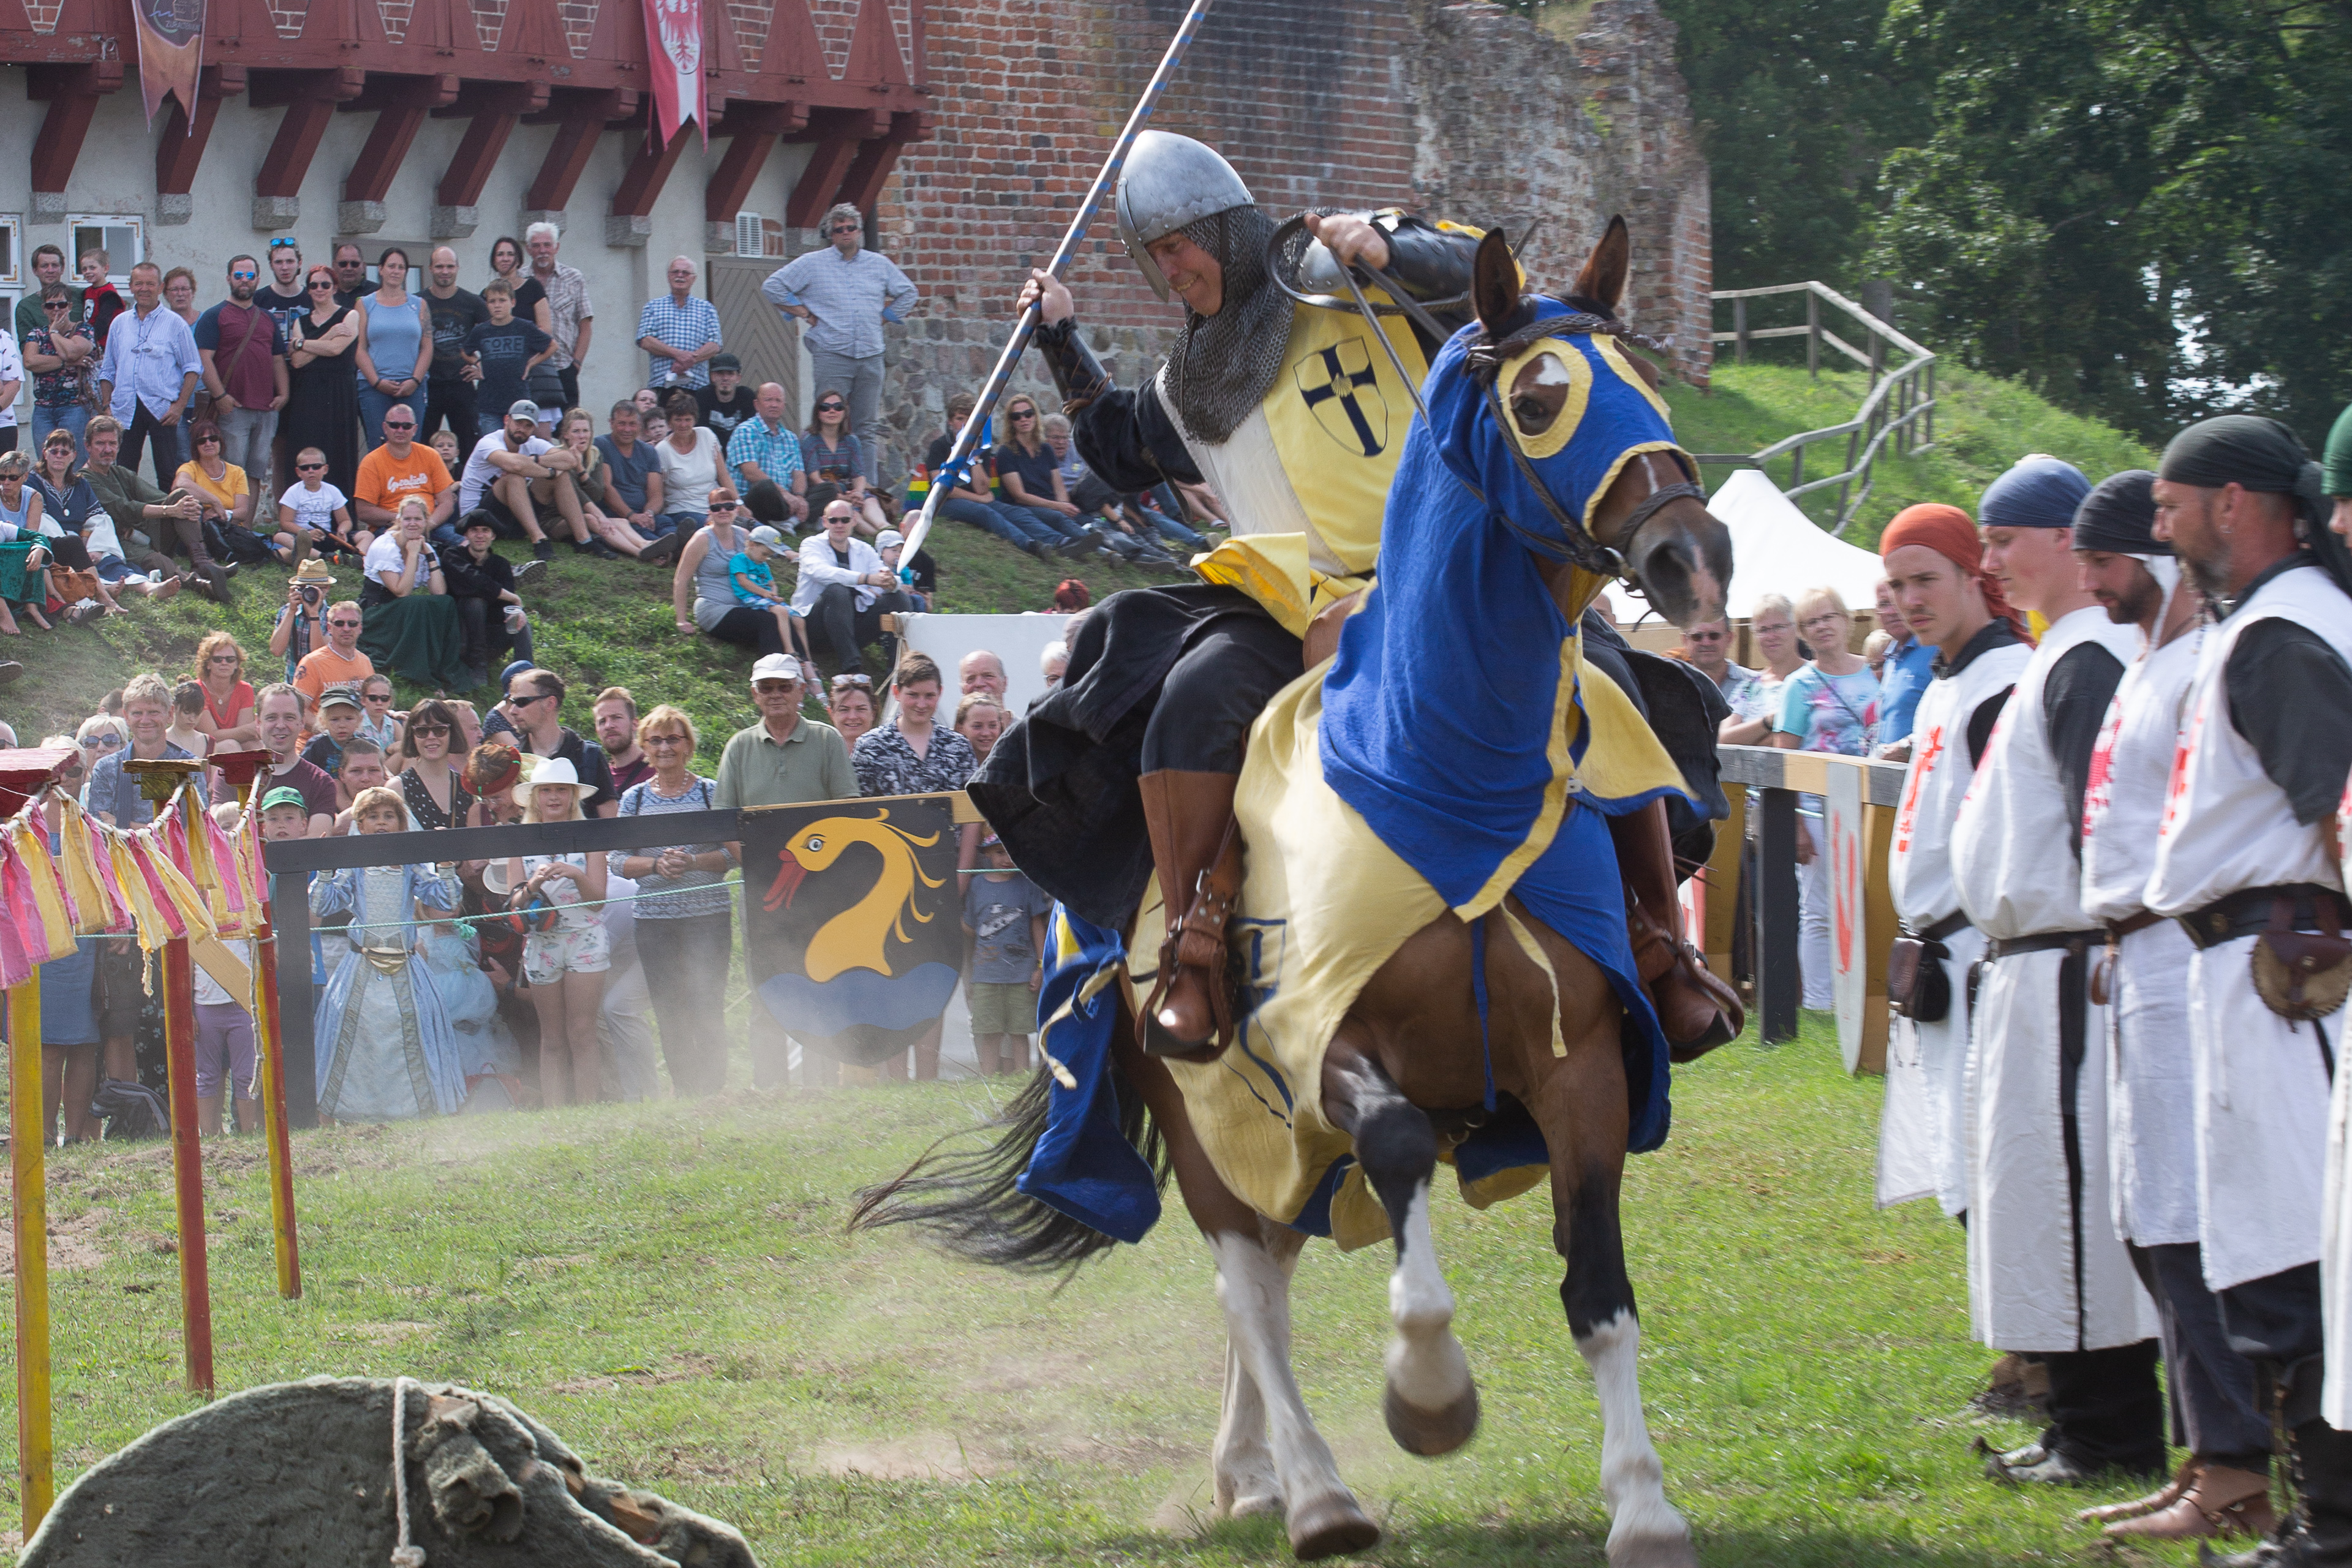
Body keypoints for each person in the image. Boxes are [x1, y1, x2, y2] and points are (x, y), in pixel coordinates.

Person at [2136, 419, 2352, 1567]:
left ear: (2233, 504)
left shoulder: (2287, 634)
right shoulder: (2269, 624)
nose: (2160, 529)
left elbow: (2341, 803)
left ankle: (2334, 1523)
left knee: (2301, 1257)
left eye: (2171, 508)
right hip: (2251, 970)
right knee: (2273, 1255)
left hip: (2290, 978)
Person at [2068, 470, 2272, 1543]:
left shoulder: (2203, 663)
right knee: (2151, 1221)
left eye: (2106, 562)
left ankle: (2238, 1465)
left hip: (2181, 956)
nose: (2092, 583)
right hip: (2134, 960)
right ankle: (2209, 1454)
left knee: (2188, 1220)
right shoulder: (2148, 664)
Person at [1946, 457, 2158, 1488]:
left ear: (2069, 541)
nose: (1989, 563)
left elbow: (2098, 825)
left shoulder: (2087, 659)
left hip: (2071, 966)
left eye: (2004, 541)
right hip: (2034, 970)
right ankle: (2078, 1421)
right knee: (2039, 1197)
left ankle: (2110, 1435)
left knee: (2074, 1201)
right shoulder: (2060, 653)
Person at [1875, 502, 2035, 1226]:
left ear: (1974, 574)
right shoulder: (1946, 682)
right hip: (1940, 956)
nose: (1910, 600)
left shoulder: (2006, 682)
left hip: (1983, 958)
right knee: (1964, 1171)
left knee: (1999, 1176)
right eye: (1897, 584)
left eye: (1926, 579)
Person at [712, 653, 854, 1087]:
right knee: (766, 986)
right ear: (755, 694)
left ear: (800, 691)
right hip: (760, 890)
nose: (775, 695)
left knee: (821, 982)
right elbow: (724, 821)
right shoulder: (739, 747)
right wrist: (758, 870)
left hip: (821, 889)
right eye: (767, 687)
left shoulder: (827, 740)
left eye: (784, 686)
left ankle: (821, 1083)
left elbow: (848, 812)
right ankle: (770, 1086)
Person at [312, 786, 469, 1121]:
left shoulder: (411, 865)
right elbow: (323, 905)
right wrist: (324, 871)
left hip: (406, 965)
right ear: (361, 825)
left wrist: (445, 866)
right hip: (360, 966)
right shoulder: (353, 865)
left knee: (412, 1025)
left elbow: (446, 901)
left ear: (401, 823)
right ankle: (355, 1113)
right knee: (355, 1031)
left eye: (388, 816)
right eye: (373, 817)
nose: (381, 823)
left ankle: (414, 1112)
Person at [612, 704, 734, 1097]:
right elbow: (616, 860)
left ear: (688, 745)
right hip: (654, 920)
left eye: (673, 739)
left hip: (708, 917)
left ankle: (714, 1090)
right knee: (669, 1008)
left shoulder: (711, 792)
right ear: (645, 747)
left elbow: (735, 854)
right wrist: (655, 865)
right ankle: (686, 1092)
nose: (665, 748)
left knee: (707, 1002)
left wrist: (694, 861)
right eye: (656, 740)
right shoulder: (633, 800)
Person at [1769, 586, 1879, 1010]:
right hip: (1817, 811)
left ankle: (1867, 1000)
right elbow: (1786, 757)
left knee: (1869, 906)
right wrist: (1795, 824)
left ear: (1846, 621)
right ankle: (1820, 1003)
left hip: (1871, 808)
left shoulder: (1875, 673)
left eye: (1828, 617)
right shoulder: (1798, 686)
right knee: (1819, 910)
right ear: (1802, 632)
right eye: (1811, 622)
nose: (1821, 627)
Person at [763, 202, 916, 485]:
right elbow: (773, 286)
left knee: (866, 428)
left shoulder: (878, 264)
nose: (845, 233)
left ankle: (867, 491)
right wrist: (805, 313)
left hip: (871, 353)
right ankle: (826, 490)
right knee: (827, 423)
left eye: (851, 228)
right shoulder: (812, 263)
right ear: (831, 235)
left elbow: (908, 293)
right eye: (839, 229)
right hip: (832, 353)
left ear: (859, 231)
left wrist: (883, 318)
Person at [503, 757, 609, 1107]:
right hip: (541, 943)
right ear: (535, 796)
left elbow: (598, 902)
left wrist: (575, 874)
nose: (553, 797)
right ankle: (555, 1113)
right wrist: (533, 884)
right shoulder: (520, 840)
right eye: (546, 790)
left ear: (573, 795)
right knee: (551, 1037)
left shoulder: (591, 836)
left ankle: (589, 1109)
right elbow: (514, 904)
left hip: (585, 938)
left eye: (561, 790)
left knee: (582, 1032)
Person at [34, 739, 100, 1144]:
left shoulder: (94, 826)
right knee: (47, 1047)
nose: (64, 780)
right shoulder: (22, 825)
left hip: (88, 947)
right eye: (55, 772)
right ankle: (42, 1135)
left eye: (74, 771)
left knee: (84, 1044)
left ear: (85, 775)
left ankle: (76, 1139)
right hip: (41, 948)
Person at [919, 391, 1071, 559]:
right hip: (944, 503)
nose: (966, 424)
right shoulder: (940, 446)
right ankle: (1029, 544)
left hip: (976, 498)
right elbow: (943, 489)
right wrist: (981, 499)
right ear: (950, 422)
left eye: (970, 419)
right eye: (960, 419)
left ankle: (1059, 541)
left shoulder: (981, 447)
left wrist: (973, 455)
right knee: (985, 512)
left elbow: (982, 488)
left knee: (1017, 513)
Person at [94, 261, 202, 486]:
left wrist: (179, 406)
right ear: (131, 287)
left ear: (160, 287)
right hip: (125, 407)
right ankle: (129, 511)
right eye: (139, 284)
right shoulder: (119, 323)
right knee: (124, 472)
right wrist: (106, 406)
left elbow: (193, 368)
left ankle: (170, 511)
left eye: (150, 284)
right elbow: (108, 369)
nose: (144, 289)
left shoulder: (175, 324)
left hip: (162, 408)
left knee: (168, 473)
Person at [192, 255, 289, 499]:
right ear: (228, 278)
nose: (244, 280)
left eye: (250, 275)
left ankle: (246, 523)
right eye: (238, 275)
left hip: (266, 409)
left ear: (258, 279)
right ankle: (230, 522)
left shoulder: (267, 318)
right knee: (231, 471)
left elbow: (278, 359)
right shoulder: (215, 316)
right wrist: (221, 397)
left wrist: (284, 393)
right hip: (233, 408)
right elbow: (204, 360)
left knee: (255, 473)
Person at [78, 416, 202, 598]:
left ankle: (202, 561)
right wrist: (171, 510)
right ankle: (196, 582)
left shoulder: (120, 473)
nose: (108, 450)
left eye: (112, 443)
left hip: (145, 534)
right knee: (159, 560)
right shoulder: (85, 479)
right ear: (88, 446)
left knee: (180, 495)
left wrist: (185, 505)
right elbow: (123, 508)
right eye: (100, 444)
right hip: (117, 543)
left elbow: (160, 498)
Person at [993, 392, 1127, 558]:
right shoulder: (1006, 452)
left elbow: (1059, 486)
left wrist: (1065, 505)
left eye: (1028, 414)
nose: (1024, 419)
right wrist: (1058, 507)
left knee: (1091, 521)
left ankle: (1127, 552)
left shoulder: (1045, 448)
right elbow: (1019, 496)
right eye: (1017, 416)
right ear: (1011, 422)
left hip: (1052, 505)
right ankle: (1105, 553)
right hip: (1025, 507)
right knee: (1059, 518)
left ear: (1035, 416)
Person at [673, 490, 802, 658]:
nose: (723, 511)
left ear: (736, 509)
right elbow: (681, 580)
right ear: (709, 511)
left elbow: (761, 568)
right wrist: (681, 620)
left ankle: (805, 667)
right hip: (716, 609)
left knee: (788, 617)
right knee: (769, 621)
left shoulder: (744, 536)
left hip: (748, 604)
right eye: (717, 507)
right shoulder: (702, 540)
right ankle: (774, 670)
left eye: (729, 506)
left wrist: (771, 592)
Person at [962, 832, 1049, 1077]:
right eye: (1000, 852)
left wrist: (1040, 966)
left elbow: (1037, 926)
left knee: (1019, 1033)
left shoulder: (1027, 885)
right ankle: (988, 1080)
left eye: (1011, 852)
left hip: (1021, 974)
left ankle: (1021, 1079)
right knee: (989, 1032)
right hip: (986, 974)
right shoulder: (977, 885)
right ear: (988, 854)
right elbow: (970, 925)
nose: (1007, 859)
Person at [458, 401, 590, 560]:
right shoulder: (488, 442)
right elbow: (515, 465)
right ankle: (539, 540)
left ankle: (584, 540)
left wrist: (536, 460)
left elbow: (570, 460)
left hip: (513, 521)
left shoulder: (533, 443)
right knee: (514, 477)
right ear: (507, 420)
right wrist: (549, 472)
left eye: (528, 425)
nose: (522, 429)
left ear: (534, 428)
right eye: (518, 423)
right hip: (477, 520)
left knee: (561, 476)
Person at [358, 495, 465, 689]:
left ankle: (443, 667)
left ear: (425, 522)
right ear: (399, 521)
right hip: (376, 612)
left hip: (401, 610)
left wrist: (430, 556)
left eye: (418, 519)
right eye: (407, 519)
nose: (413, 524)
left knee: (446, 603)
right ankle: (417, 672)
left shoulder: (424, 546)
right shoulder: (385, 547)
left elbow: (439, 592)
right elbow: (401, 592)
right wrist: (413, 554)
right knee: (418, 605)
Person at [794, 499, 905, 676]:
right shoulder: (811, 544)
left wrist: (891, 582)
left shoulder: (863, 548)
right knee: (836, 590)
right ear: (825, 522)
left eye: (845, 520)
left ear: (854, 520)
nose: (839, 525)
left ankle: (897, 670)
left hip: (853, 625)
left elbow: (883, 574)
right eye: (834, 520)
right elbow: (821, 572)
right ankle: (853, 669)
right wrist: (866, 579)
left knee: (899, 598)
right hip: (815, 627)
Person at [280, 265, 361, 496]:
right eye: (314, 285)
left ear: (335, 288)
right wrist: (329, 335)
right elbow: (298, 362)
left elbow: (336, 349)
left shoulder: (350, 316)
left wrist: (301, 343)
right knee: (305, 451)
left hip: (339, 393)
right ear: (308, 290)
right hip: (307, 394)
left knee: (337, 454)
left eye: (325, 284)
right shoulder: (301, 322)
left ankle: (340, 513)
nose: (320, 289)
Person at [854, 651, 976, 797]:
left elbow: (973, 804)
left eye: (929, 696)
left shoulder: (959, 747)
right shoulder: (870, 746)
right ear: (896, 692)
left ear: (940, 692)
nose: (921, 704)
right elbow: (858, 806)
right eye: (913, 695)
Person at [504, 666, 618, 817]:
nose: (512, 710)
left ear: (550, 703)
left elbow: (611, 823)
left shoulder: (589, 756)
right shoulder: (512, 761)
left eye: (522, 702)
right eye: (512, 702)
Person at [443, 509, 535, 690]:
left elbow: (507, 606)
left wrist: (517, 610)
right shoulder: (453, 555)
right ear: (466, 535)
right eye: (474, 530)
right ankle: (478, 667)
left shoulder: (501, 564)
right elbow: (475, 581)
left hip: (491, 636)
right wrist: (514, 598)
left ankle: (526, 676)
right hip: (460, 635)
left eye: (485, 530)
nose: (480, 535)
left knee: (520, 622)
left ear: (493, 536)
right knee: (475, 602)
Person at [351, 247, 432, 455]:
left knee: (411, 448)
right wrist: (377, 382)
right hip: (374, 388)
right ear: (380, 269)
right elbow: (360, 349)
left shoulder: (419, 305)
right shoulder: (365, 304)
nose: (396, 271)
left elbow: (427, 347)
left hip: (412, 387)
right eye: (391, 266)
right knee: (379, 448)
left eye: (401, 267)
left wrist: (415, 381)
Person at [554, 409, 658, 561]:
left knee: (621, 521)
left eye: (586, 431)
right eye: (576, 431)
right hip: (556, 519)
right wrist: (601, 517)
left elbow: (597, 494)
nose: (582, 436)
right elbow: (577, 496)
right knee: (591, 518)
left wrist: (581, 471)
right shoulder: (558, 455)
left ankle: (647, 545)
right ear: (566, 435)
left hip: (586, 512)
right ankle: (639, 553)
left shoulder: (594, 454)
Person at [176, 420, 274, 569]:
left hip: (228, 531)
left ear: (220, 442)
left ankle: (299, 555)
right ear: (196, 447)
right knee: (191, 505)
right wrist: (214, 501)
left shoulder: (237, 472)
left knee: (276, 540)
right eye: (202, 441)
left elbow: (242, 512)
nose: (208, 444)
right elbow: (180, 485)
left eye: (213, 439)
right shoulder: (190, 468)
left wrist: (221, 514)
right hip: (199, 531)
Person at [418, 246, 488, 451]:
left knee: (470, 446)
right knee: (422, 446)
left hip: (461, 383)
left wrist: (483, 368)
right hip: (427, 384)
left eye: (450, 266)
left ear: (458, 268)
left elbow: (492, 337)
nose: (445, 271)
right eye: (440, 266)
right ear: (430, 268)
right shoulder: (418, 302)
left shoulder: (473, 303)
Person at [353, 403, 456, 538]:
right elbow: (364, 511)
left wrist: (426, 525)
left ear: (415, 429)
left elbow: (447, 503)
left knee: (463, 545)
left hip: (431, 525)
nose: (400, 430)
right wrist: (406, 520)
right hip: (390, 527)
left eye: (407, 426)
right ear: (385, 428)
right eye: (394, 425)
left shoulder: (431, 455)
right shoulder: (371, 462)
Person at [522, 221, 592, 413]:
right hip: (530, 368)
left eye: (547, 245)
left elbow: (585, 325)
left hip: (564, 366)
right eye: (536, 246)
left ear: (557, 247)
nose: (542, 251)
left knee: (569, 424)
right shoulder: (520, 279)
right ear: (528, 249)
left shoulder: (574, 278)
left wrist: (576, 364)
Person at [252, 683, 339, 834]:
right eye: (271, 718)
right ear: (258, 722)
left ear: (302, 722)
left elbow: (317, 841)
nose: (280, 725)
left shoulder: (321, 782)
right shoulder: (233, 776)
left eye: (289, 718)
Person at [1717, 594, 1804, 744]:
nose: (1771, 636)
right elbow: (1723, 740)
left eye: (1778, 627)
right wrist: (1769, 721)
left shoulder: (1816, 677)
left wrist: (1752, 740)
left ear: (1796, 628)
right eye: (1763, 630)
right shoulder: (1748, 688)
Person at [22, 282, 94, 457]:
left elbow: (71, 352)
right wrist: (67, 364)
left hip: (75, 407)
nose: (56, 309)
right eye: (50, 305)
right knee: (45, 462)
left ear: (70, 306)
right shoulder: (37, 334)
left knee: (74, 461)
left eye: (61, 304)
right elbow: (30, 361)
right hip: (43, 408)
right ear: (44, 309)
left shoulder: (83, 329)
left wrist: (54, 333)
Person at [592, 399, 679, 541]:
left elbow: (656, 494)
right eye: (622, 423)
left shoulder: (649, 451)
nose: (627, 429)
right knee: (642, 532)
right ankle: (659, 546)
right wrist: (631, 515)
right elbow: (606, 488)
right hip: (616, 515)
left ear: (640, 425)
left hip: (643, 513)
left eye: (632, 424)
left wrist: (649, 514)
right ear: (611, 423)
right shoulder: (601, 445)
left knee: (666, 525)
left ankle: (679, 543)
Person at [804, 385, 887, 535]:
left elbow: (859, 474)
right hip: (825, 493)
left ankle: (884, 527)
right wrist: (843, 497)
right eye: (825, 408)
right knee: (850, 512)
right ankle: (880, 536)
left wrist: (858, 494)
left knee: (870, 501)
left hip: (848, 490)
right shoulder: (809, 439)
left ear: (844, 412)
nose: (832, 411)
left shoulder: (851, 440)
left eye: (838, 407)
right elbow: (814, 478)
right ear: (818, 413)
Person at [728, 381, 810, 530]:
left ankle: (789, 520)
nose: (774, 405)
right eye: (768, 400)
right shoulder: (746, 431)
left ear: (784, 406)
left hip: (786, 499)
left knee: (827, 489)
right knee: (765, 487)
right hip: (756, 499)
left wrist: (799, 497)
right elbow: (751, 473)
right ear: (757, 405)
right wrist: (784, 494)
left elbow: (799, 473)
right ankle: (795, 519)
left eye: (778, 401)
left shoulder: (790, 437)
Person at [636, 255, 722, 393]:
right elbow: (645, 340)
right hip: (662, 384)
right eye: (675, 272)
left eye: (685, 273)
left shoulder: (707, 309)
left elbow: (715, 345)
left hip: (697, 386)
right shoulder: (652, 307)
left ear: (694, 279)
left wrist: (689, 361)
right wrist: (678, 354)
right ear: (668, 276)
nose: (680, 276)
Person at [274, 443, 364, 567]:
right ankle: (324, 557)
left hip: (326, 536)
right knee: (280, 537)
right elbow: (285, 523)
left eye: (316, 467)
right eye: (305, 468)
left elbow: (346, 520)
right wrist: (306, 533)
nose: (311, 471)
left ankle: (356, 559)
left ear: (325, 469)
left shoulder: (333, 491)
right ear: (298, 472)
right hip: (302, 538)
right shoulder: (293, 492)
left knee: (366, 535)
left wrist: (342, 531)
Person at [1874, 575, 1937, 748]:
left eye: (1896, 600)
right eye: (1884, 604)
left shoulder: (1935, 650)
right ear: (1877, 613)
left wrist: (1907, 748)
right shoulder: (1890, 659)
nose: (1891, 611)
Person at [394, 698, 477, 829]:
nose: (431, 736)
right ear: (412, 736)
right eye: (422, 731)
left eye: (440, 730)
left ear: (452, 733)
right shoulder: (398, 788)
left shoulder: (466, 787)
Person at [656, 391, 725, 536]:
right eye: (678, 420)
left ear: (695, 420)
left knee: (756, 528)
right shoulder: (662, 450)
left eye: (688, 419)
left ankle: (776, 546)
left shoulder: (707, 435)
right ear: (670, 422)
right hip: (683, 511)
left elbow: (724, 477)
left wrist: (738, 504)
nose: (683, 425)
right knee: (715, 530)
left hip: (717, 507)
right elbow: (658, 492)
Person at [293, 598, 376, 708]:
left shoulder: (365, 662)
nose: (346, 629)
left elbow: (373, 703)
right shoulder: (312, 663)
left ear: (360, 628)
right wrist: (322, 721)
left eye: (352, 623)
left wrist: (392, 714)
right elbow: (298, 709)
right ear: (329, 628)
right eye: (339, 623)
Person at [190, 630, 259, 750]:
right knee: (230, 746)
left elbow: (246, 735)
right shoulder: (196, 691)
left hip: (236, 744)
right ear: (207, 664)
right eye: (218, 659)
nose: (224, 663)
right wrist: (246, 731)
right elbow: (211, 736)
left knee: (256, 747)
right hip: (200, 747)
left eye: (230, 659)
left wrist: (247, 731)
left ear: (237, 664)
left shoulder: (245, 689)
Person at [592, 686, 650, 794]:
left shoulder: (658, 773)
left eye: (616, 717)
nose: (608, 726)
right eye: (602, 721)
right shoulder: (598, 780)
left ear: (634, 724)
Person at [301, 685, 365, 781]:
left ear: (359, 720)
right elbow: (303, 772)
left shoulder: (364, 743)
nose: (342, 725)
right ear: (323, 721)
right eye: (335, 720)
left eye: (349, 719)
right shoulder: (317, 745)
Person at [692, 353, 758, 443]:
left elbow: (750, 433)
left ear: (738, 378)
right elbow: (700, 432)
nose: (725, 378)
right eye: (720, 373)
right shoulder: (703, 396)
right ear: (712, 377)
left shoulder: (746, 397)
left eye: (730, 374)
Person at [331, 736, 390, 823]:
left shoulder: (397, 792)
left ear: (384, 773)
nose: (365, 779)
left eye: (374, 770)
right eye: (356, 771)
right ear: (342, 775)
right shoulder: (327, 804)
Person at [954, 692, 1004, 767]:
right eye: (977, 726)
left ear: (1000, 726)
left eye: (993, 726)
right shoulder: (947, 763)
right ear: (960, 728)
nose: (986, 733)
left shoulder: (1013, 762)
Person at [827, 673, 876, 749]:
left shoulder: (890, 752)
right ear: (831, 713)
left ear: (873, 713)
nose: (853, 717)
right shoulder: (816, 751)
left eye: (861, 709)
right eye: (844, 710)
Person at [356, 673, 402, 752]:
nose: (379, 703)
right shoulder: (356, 724)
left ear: (390, 701)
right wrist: (388, 752)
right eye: (373, 698)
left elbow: (408, 752)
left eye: (384, 698)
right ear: (363, 701)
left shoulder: (394, 725)